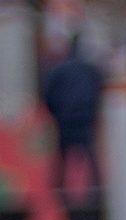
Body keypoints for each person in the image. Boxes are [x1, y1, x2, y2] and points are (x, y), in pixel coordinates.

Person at [40, 36, 104, 197]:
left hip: (64, 119)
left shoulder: (59, 70)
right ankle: (95, 194)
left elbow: (48, 95)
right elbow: (100, 93)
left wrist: (56, 114)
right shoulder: (91, 70)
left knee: (62, 159)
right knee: (90, 159)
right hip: (85, 119)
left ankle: (60, 193)